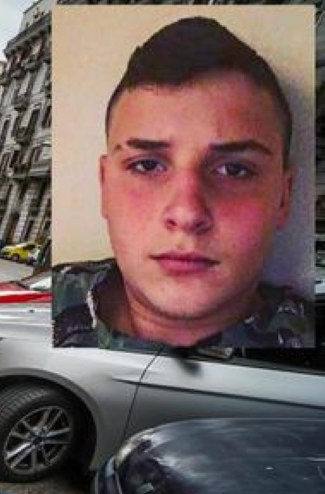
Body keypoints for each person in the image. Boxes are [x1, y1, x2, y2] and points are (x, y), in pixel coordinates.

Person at [53, 17, 314, 349]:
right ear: (104, 186)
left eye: (234, 170)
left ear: (283, 197)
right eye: (147, 165)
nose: (187, 214)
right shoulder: (39, 302)